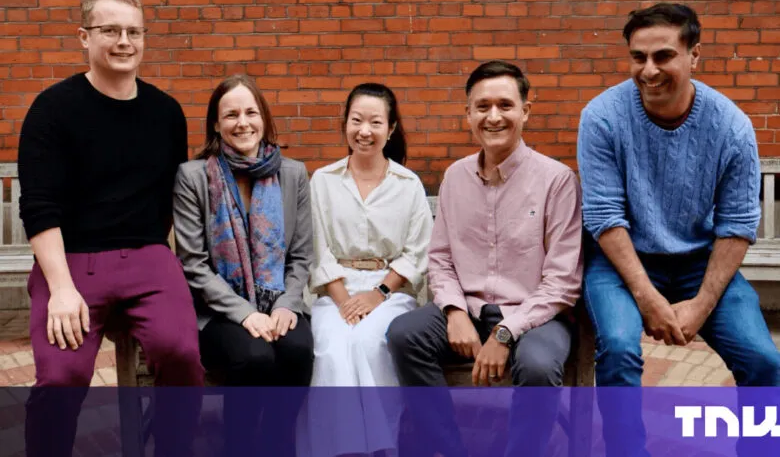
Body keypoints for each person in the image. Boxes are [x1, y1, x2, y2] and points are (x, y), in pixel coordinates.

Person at [577, 3, 780, 457]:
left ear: (694, 56)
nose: (648, 70)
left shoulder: (731, 125)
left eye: (663, 55)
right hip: (622, 259)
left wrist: (702, 305)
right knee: (618, 349)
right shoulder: (602, 116)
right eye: (638, 57)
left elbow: (737, 225)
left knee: (764, 361)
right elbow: (605, 216)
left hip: (698, 261)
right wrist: (648, 299)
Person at [17, 0, 203, 456]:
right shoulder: (52, 110)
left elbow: (167, 200)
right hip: (72, 262)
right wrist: (60, 287)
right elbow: (38, 207)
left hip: (147, 256)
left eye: (134, 31)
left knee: (181, 355)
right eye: (111, 30)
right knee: (62, 377)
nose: (124, 41)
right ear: (84, 37)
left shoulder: (166, 113)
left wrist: (156, 265)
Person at [387, 60, 583, 457]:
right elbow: (439, 258)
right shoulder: (454, 177)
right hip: (471, 309)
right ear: (468, 115)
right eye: (482, 107)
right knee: (404, 335)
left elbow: (562, 282)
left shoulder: (557, 180)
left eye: (505, 105)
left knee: (539, 367)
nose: (493, 116)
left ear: (525, 111)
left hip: (536, 314)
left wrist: (506, 332)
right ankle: (450, 448)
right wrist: (455, 311)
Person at [173, 74, 314, 456]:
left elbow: (301, 256)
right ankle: (238, 444)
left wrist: (286, 303)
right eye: (231, 114)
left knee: (298, 351)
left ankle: (277, 443)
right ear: (216, 124)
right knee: (254, 357)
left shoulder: (293, 173)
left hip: (279, 299)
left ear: (264, 119)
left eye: (251, 112)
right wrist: (245, 313)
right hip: (218, 310)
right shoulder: (193, 177)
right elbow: (194, 264)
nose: (242, 122)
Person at [296, 83, 433, 457]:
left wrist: (378, 295)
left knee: (371, 342)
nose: (365, 131)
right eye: (356, 121)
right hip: (333, 291)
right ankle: (336, 450)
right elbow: (315, 247)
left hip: (390, 290)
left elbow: (417, 251)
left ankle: (381, 447)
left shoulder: (407, 185)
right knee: (332, 348)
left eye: (376, 122)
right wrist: (344, 302)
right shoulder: (323, 181)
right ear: (345, 124)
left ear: (391, 129)